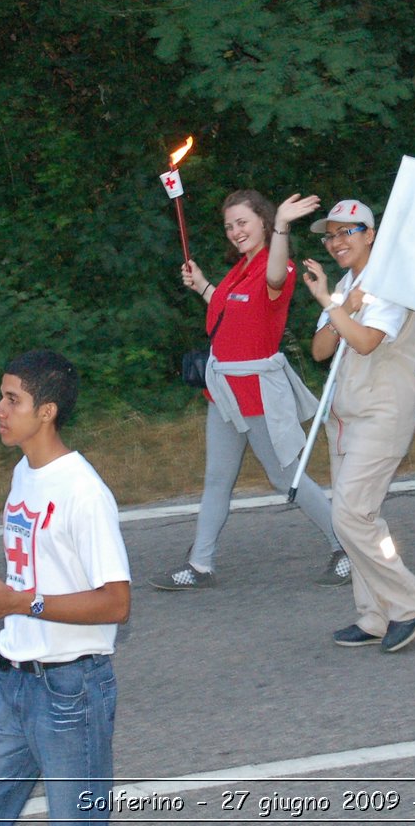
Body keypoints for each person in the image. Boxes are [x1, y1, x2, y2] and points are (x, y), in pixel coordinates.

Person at [0, 350, 132, 825]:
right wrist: (4, 593)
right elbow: (35, 574)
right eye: (0, 397)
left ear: (47, 411)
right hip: (12, 682)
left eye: (13, 400)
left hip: (70, 691)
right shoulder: (22, 474)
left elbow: (116, 602)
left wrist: (20, 602)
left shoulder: (83, 492)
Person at [150, 189, 347, 590]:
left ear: (263, 221)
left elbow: (274, 278)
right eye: (228, 225)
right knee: (217, 480)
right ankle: (200, 565)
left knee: (285, 478)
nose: (235, 231)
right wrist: (204, 285)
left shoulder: (280, 268)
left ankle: (347, 547)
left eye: (242, 222)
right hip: (223, 393)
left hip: (257, 393)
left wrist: (283, 226)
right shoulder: (238, 271)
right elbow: (230, 312)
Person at [300, 199, 415, 653]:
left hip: (383, 410)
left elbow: (364, 341)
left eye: (347, 232)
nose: (337, 242)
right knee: (358, 517)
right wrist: (340, 305)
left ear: (371, 234)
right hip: (346, 414)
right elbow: (320, 348)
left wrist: (333, 306)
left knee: (350, 514)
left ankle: (409, 602)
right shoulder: (346, 284)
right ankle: (375, 614)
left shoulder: (389, 283)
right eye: (330, 235)